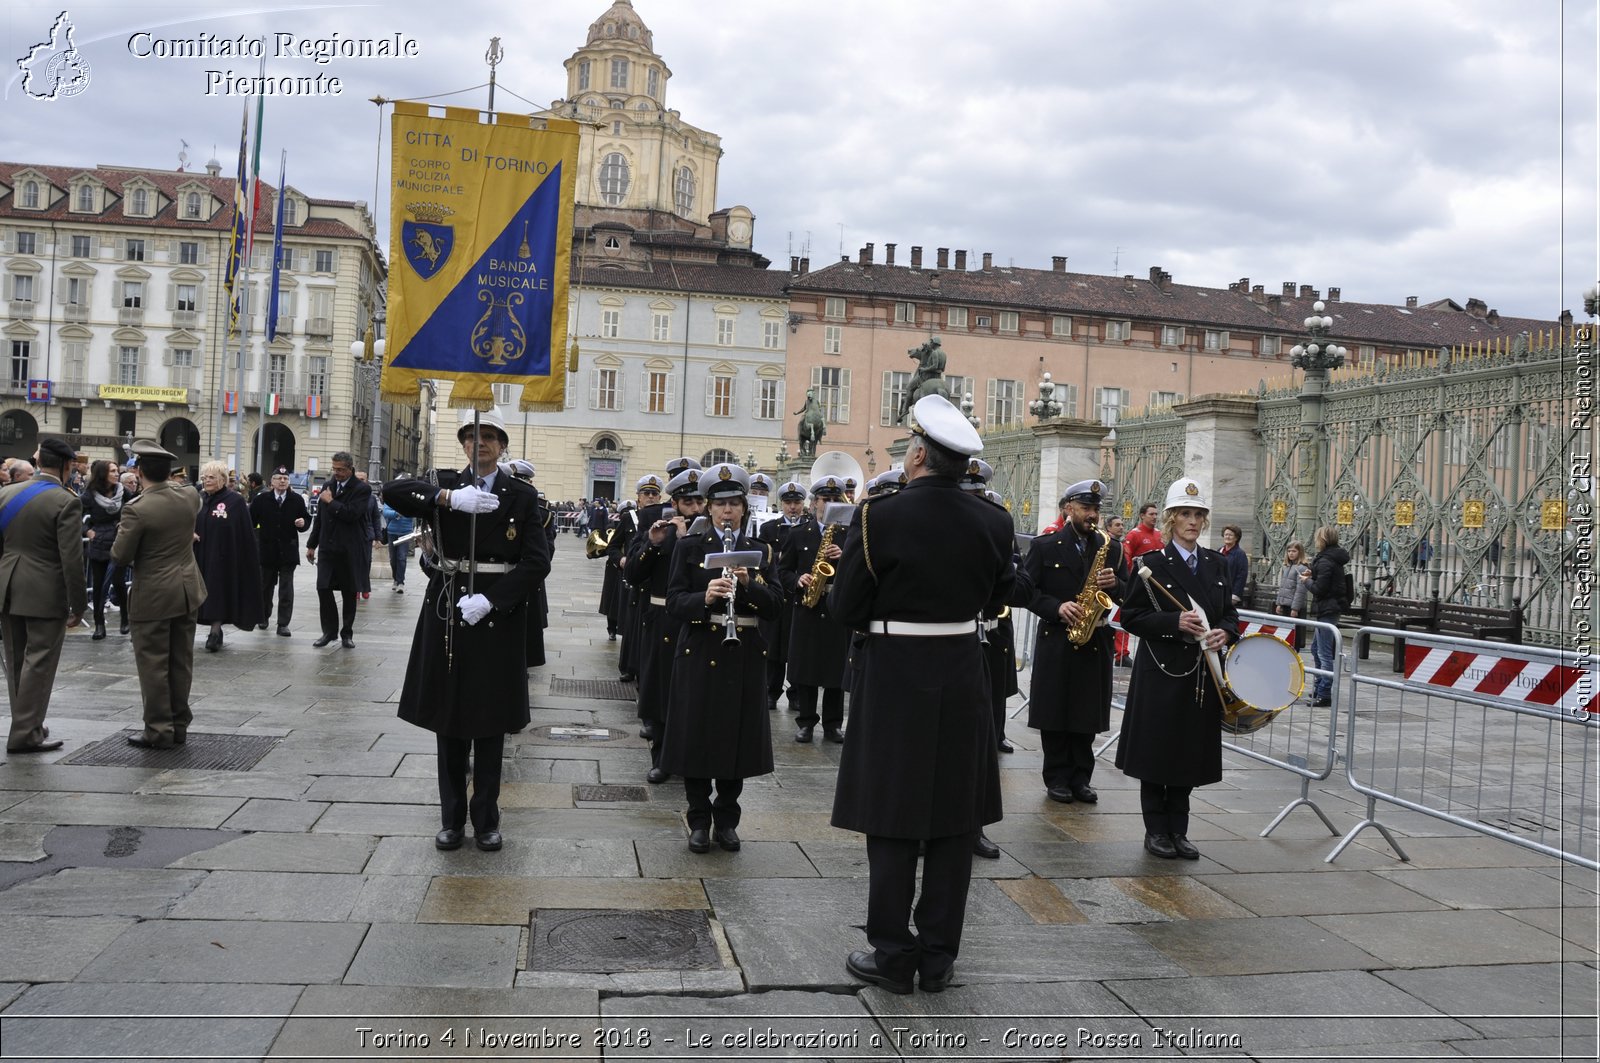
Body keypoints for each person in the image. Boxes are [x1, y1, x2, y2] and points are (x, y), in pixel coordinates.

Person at [829, 394, 1014, 996]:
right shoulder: (994, 519)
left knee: (892, 817)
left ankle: (892, 952)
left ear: (915, 456)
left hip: (895, 679)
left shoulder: (876, 516)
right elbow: (994, 599)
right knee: (955, 822)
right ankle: (938, 957)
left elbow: (846, 607)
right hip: (963, 674)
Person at [383, 412, 550, 852]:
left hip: (495, 611)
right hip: (449, 605)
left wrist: (494, 600)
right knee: (450, 719)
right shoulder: (443, 482)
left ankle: (487, 819)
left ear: (502, 445)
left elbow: (537, 561)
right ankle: (452, 819)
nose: (480, 444)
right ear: (462, 445)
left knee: (491, 721)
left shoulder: (521, 495)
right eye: (472, 437)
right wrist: (447, 498)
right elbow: (391, 491)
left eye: (490, 437)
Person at [658, 463, 781, 853]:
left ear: (744, 508)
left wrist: (748, 583)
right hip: (700, 648)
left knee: (736, 739)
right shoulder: (689, 546)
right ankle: (698, 818)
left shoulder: (761, 551)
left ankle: (727, 818)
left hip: (743, 651)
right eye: (719, 504)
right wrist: (705, 598)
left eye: (733, 504)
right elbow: (674, 601)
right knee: (697, 736)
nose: (726, 511)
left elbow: (776, 606)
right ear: (709, 509)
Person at [1114, 476, 1239, 860]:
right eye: (1185, 514)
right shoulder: (1151, 565)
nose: (1192, 521)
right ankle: (1156, 830)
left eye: (1198, 514)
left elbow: (1230, 615)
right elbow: (1131, 616)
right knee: (1157, 753)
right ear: (1170, 519)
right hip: (1162, 673)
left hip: (1201, 675)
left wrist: (1225, 633)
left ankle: (1178, 830)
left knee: (1187, 754)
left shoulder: (1217, 564)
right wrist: (1173, 623)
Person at [1023, 480, 1125, 806]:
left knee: (1086, 713)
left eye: (1096, 509)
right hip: (1058, 639)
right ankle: (1057, 778)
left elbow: (1128, 593)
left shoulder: (1111, 547)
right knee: (1055, 712)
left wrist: (1117, 584)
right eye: (1085, 508)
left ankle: (1082, 778)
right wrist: (1056, 607)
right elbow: (1024, 591)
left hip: (1094, 641)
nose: (1092, 515)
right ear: (1069, 508)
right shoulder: (1045, 545)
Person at [111, 441, 207, 749]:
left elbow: (121, 555)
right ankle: (179, 725)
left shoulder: (137, 508)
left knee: (153, 664)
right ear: (169, 471)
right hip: (187, 588)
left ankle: (158, 728)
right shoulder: (190, 496)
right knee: (181, 661)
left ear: (138, 472)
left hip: (153, 593)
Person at [0, 438, 86, 753]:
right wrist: (79, 604)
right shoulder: (65, 501)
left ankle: (27, 724)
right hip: (45, 591)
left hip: (8, 587)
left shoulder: (6, 493)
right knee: (39, 662)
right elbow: (72, 560)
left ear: (39, 463)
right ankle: (25, 733)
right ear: (66, 466)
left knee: (17, 660)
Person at [625, 459, 706, 782]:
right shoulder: (652, 522)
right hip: (662, 617)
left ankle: (690, 756)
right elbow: (633, 572)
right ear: (674, 502)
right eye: (688, 501)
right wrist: (654, 545)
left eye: (700, 500)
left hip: (698, 619)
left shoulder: (711, 532)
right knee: (659, 688)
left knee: (693, 694)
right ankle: (660, 756)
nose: (696, 507)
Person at [778, 475, 853, 743]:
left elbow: (860, 572)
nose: (830, 504)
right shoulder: (798, 533)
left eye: (836, 499)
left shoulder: (850, 535)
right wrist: (798, 580)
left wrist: (845, 558)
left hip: (836, 607)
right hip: (807, 606)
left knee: (836, 669)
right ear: (814, 503)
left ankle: (833, 724)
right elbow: (783, 570)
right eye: (825, 499)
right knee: (806, 667)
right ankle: (806, 721)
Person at [193, 460, 265, 651]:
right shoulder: (198, 498)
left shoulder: (235, 501)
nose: (206, 481)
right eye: (204, 477)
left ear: (223, 479)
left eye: (211, 477)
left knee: (217, 594)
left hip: (223, 558)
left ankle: (215, 633)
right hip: (199, 555)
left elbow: (244, 532)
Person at [305, 452, 372, 648]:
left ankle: (347, 633)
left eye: (341, 470)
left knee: (348, 591)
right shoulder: (328, 486)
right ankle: (329, 631)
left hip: (349, 548)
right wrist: (311, 544)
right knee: (323, 588)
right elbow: (320, 520)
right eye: (335, 469)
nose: (337, 473)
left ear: (350, 468)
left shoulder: (361, 489)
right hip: (327, 548)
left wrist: (330, 502)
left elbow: (351, 514)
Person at [755, 480, 807, 712]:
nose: (792, 507)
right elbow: (762, 558)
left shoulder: (809, 526)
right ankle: (771, 690)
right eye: (788, 503)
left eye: (796, 503)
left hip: (800, 591)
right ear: (781, 504)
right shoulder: (769, 528)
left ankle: (795, 693)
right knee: (774, 646)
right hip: (776, 590)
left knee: (796, 646)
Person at [249, 465, 309, 636]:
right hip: (267, 550)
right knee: (265, 587)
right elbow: (250, 521)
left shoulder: (296, 500)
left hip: (288, 551)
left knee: (286, 589)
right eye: (279, 478)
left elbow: (306, 517)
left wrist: (303, 523)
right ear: (272, 482)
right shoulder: (262, 500)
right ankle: (263, 616)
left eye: (285, 479)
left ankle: (283, 623)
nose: (282, 481)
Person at [611, 477, 661, 678]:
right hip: (634, 576)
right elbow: (613, 546)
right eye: (646, 494)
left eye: (654, 494)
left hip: (654, 580)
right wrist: (621, 559)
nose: (650, 497)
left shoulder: (666, 518)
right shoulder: (629, 518)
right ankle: (629, 667)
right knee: (631, 624)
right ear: (638, 498)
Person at [1303, 525, 1349, 707]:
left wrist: (1307, 581)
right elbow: (1327, 579)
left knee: (1323, 652)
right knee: (1316, 649)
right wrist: (1313, 574)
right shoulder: (1330, 559)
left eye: (1317, 538)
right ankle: (1319, 686)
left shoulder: (1325, 560)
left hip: (1327, 608)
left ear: (1322, 539)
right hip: (1329, 608)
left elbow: (1320, 589)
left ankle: (1324, 693)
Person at [80, 459, 125, 641]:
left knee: (119, 582)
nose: (116, 474)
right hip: (99, 542)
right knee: (99, 585)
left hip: (119, 541)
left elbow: (134, 509)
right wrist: (87, 531)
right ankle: (99, 624)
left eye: (117, 470)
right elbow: (77, 514)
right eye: (112, 471)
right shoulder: (89, 495)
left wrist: (126, 524)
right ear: (102, 474)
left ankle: (125, 618)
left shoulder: (123, 491)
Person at [1274, 540, 1310, 629]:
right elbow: (1283, 587)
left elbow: (1300, 590)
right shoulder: (1287, 567)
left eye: (1294, 551)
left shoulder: (1302, 568)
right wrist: (1279, 603)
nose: (1291, 553)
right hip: (1285, 605)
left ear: (1300, 552)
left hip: (1293, 607)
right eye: (1289, 551)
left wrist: (1295, 608)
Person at [382, 495, 414, 594]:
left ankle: (401, 582)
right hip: (392, 532)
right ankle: (395, 579)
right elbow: (385, 512)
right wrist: (397, 513)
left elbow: (414, 512)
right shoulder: (391, 499)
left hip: (406, 532)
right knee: (393, 559)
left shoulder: (409, 499)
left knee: (401, 557)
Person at [1219, 523, 1248, 607]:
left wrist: (1235, 596)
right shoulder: (1219, 551)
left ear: (1236, 538)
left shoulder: (1240, 554)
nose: (1227, 537)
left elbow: (1241, 576)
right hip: (1218, 592)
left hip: (1230, 595)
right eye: (1226, 534)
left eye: (1230, 535)